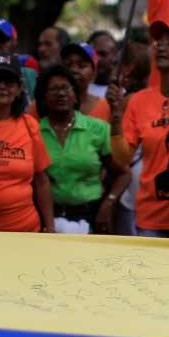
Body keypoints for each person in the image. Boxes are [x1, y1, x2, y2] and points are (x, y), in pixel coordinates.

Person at [114, 19, 169, 237]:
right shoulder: (138, 101)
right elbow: (123, 158)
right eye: (159, 41)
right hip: (151, 220)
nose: (161, 46)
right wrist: (115, 117)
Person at [0, 52, 51, 233]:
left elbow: (42, 181)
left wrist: (50, 227)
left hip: (26, 231)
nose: (2, 86)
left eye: (9, 82)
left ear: (19, 88)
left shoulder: (29, 125)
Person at [38, 64, 123, 234]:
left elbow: (123, 173)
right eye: (54, 89)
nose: (61, 93)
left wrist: (109, 203)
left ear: (75, 96)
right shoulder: (35, 131)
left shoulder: (98, 129)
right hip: (48, 217)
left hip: (91, 216)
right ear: (44, 97)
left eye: (65, 88)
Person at [61, 41, 111, 122]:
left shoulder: (106, 108)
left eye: (81, 66)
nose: (73, 70)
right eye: (68, 65)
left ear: (94, 73)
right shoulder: (43, 104)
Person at [87, 30, 116, 99]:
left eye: (102, 54)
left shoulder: (122, 94)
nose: (97, 59)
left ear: (115, 55)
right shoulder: (77, 91)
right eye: (93, 54)